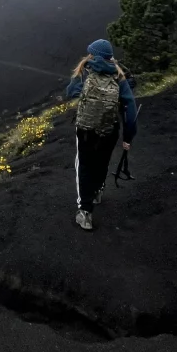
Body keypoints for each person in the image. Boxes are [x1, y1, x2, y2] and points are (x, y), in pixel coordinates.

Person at [65, 38, 138, 231]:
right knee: (102, 162)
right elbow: (130, 109)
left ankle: (85, 213)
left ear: (92, 55)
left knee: (84, 166)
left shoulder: (85, 70)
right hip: (110, 129)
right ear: (110, 57)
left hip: (86, 129)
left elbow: (71, 92)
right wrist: (128, 137)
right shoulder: (119, 75)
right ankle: (98, 191)